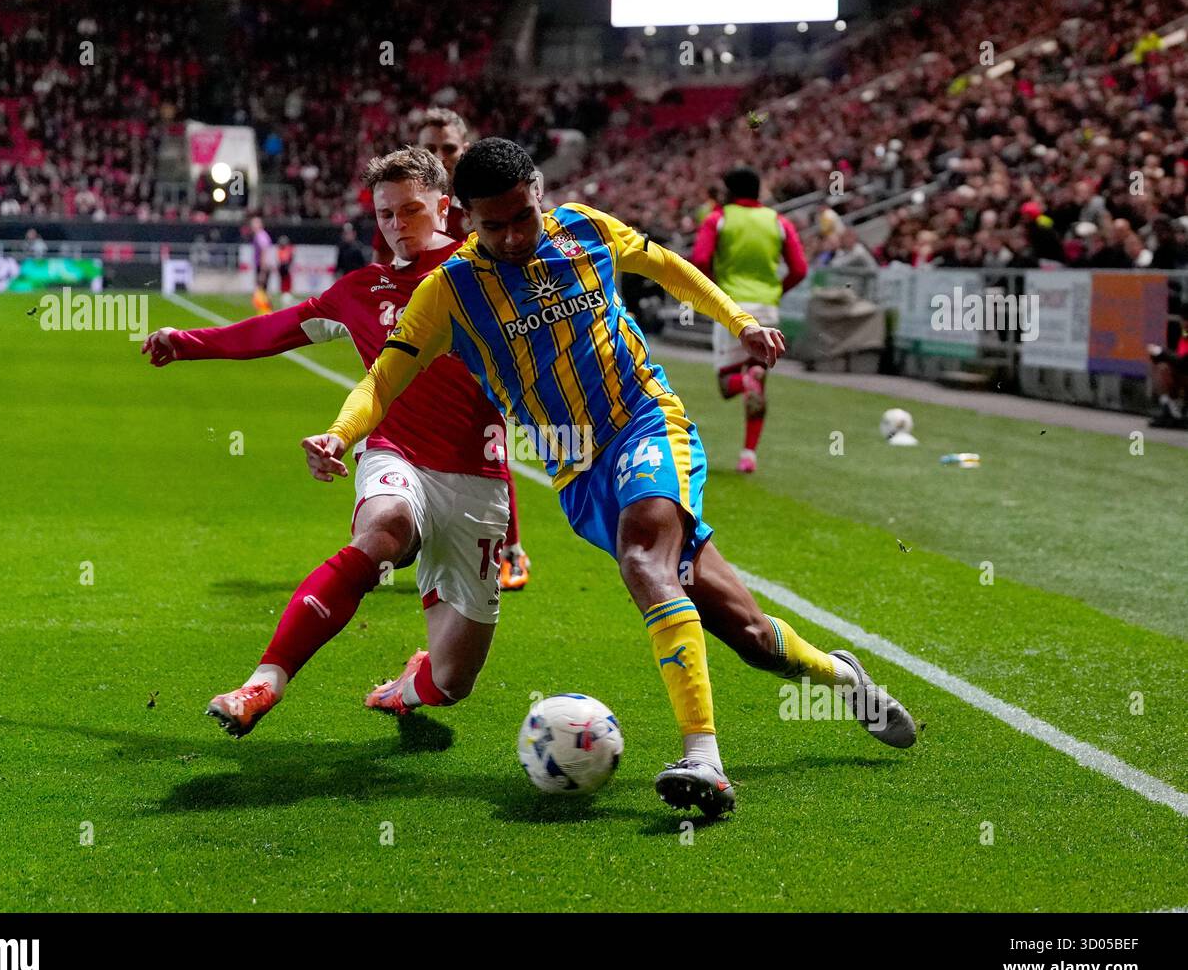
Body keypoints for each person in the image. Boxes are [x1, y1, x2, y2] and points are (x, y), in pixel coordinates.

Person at [304, 139, 917, 818]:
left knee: (642, 558)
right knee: (746, 633)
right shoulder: (449, 291)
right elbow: (381, 380)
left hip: (646, 422)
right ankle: (840, 674)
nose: (514, 236)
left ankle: (703, 757)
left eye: (524, 217)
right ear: (465, 220)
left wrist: (740, 321)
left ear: (540, 194)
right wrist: (341, 434)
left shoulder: (585, 230)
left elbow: (667, 267)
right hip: (578, 472)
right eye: (494, 225)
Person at [142, 148, 514, 736]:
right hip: (395, 453)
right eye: (385, 214)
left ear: (445, 206)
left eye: (411, 210)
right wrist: (187, 342)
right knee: (386, 528)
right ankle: (264, 682)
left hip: (477, 479)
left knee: (451, 682)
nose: (397, 225)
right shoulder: (361, 290)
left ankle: (408, 686)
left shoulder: (486, 271)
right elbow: (275, 330)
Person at [373, 105, 532, 591]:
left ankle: (510, 549)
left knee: (489, 435)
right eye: (431, 147)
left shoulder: (484, 207)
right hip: (427, 339)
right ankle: (417, 529)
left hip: (484, 339)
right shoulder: (410, 207)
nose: (440, 155)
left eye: (449, 148)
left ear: (465, 149)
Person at [692, 167, 806, 473]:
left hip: (732, 308)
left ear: (730, 191)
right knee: (759, 382)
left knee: (727, 384)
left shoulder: (718, 219)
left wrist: (712, 292)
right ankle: (748, 455)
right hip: (767, 310)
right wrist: (776, 292)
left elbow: (700, 259)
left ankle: (745, 380)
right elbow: (799, 268)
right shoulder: (778, 221)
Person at [249, 216, 273, 314]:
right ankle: (266, 313)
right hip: (263, 266)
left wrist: (262, 270)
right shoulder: (261, 235)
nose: (252, 226)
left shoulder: (260, 235)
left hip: (263, 266)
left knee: (261, 290)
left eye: (254, 223)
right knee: (262, 291)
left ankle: (266, 313)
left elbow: (264, 251)